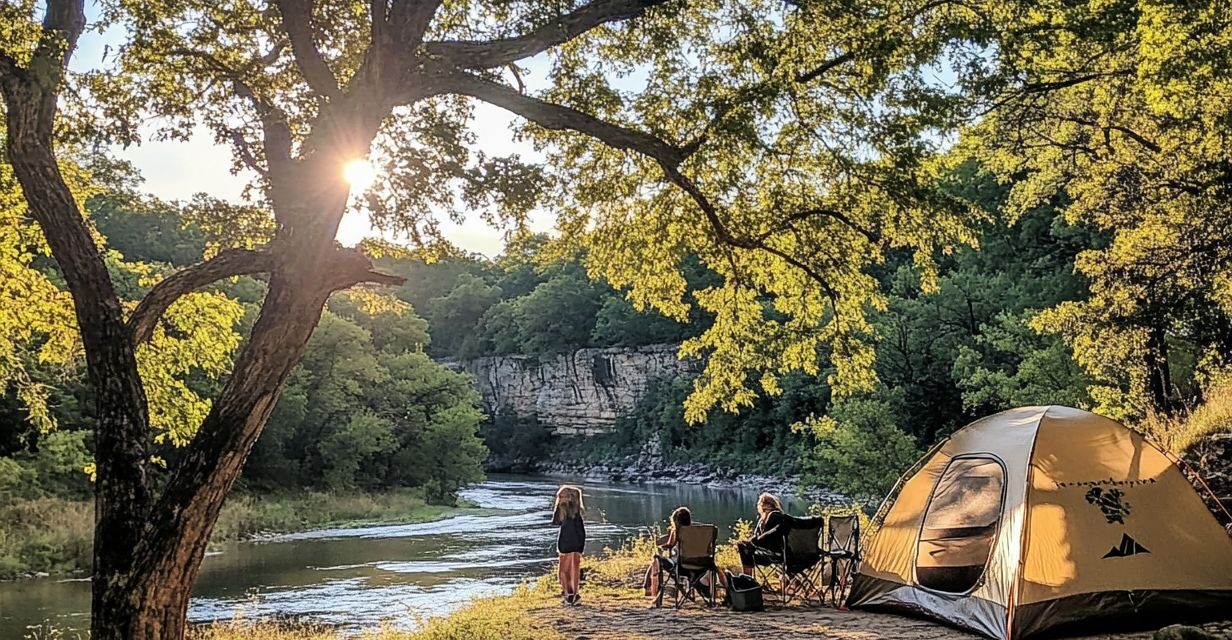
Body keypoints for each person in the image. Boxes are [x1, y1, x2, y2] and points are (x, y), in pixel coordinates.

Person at [645, 506, 693, 598]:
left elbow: (669, 545)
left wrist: (661, 546)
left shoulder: (676, 531)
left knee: (656, 558)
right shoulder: (696, 532)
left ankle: (650, 588)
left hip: (678, 564)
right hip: (698, 564)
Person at [737, 492, 787, 576]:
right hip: (789, 555)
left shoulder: (770, 517)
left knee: (742, 546)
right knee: (748, 546)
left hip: (772, 556)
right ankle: (791, 579)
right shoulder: (785, 518)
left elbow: (764, 540)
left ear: (761, 506)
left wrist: (750, 543)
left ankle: (747, 579)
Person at [551, 485, 586, 606]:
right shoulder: (577, 511)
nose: (559, 498)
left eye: (561, 496)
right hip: (577, 539)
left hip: (566, 539)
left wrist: (559, 506)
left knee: (564, 568)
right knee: (574, 567)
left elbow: (556, 522)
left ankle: (568, 593)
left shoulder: (564, 510)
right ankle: (573, 593)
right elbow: (581, 530)